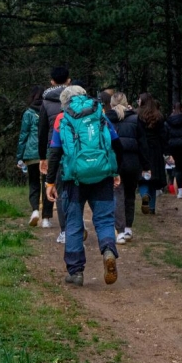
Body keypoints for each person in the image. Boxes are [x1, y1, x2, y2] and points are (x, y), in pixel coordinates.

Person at [45, 86, 122, 286]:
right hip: (102, 176)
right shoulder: (99, 114)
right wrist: (115, 171)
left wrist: (50, 182)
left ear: (65, 102)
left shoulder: (62, 118)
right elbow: (116, 143)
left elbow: (54, 152)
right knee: (104, 219)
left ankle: (76, 271)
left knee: (73, 223)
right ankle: (108, 250)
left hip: (74, 179)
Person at [106, 92, 151, 244]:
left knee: (117, 194)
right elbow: (143, 144)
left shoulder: (106, 120)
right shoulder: (136, 119)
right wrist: (146, 166)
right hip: (133, 161)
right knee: (130, 194)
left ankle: (119, 231)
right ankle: (128, 228)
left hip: (114, 161)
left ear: (111, 104)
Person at [38, 67, 70, 241]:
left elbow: (42, 132)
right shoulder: (77, 99)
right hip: (76, 146)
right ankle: (76, 223)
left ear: (52, 81)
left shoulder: (46, 102)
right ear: (68, 80)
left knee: (59, 187)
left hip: (54, 147)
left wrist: (42, 157)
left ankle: (65, 231)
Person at [16, 85, 45, 226]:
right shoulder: (48, 110)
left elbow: (23, 135)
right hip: (46, 153)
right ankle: (46, 218)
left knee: (33, 182)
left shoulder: (28, 113)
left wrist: (19, 156)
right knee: (47, 183)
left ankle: (35, 211)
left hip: (32, 153)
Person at [136, 93, 166, 215]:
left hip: (141, 148)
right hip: (155, 149)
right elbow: (163, 134)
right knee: (153, 179)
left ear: (142, 101)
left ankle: (145, 194)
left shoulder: (137, 115)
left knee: (142, 177)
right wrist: (165, 150)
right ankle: (152, 207)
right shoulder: (158, 115)